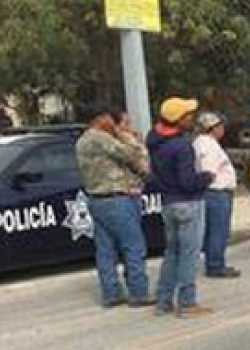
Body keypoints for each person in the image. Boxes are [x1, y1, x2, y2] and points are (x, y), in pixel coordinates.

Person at [75, 103, 152, 308]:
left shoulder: (82, 141)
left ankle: (111, 293)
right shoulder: (100, 138)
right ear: (100, 118)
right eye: (109, 118)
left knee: (106, 250)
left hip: (96, 198)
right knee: (133, 246)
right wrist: (125, 135)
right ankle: (138, 292)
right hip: (117, 198)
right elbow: (129, 154)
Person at [147, 98, 215, 318]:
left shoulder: (155, 143)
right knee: (189, 255)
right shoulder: (182, 145)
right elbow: (188, 182)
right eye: (188, 115)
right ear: (179, 120)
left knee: (172, 253)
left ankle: (163, 300)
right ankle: (187, 303)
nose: (191, 118)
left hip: (168, 203)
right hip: (188, 202)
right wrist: (206, 177)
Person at [193, 112, 240, 278]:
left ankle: (214, 261)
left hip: (215, 192)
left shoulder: (204, 143)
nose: (223, 129)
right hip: (216, 192)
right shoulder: (207, 146)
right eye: (220, 126)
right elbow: (209, 171)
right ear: (212, 128)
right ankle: (215, 264)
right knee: (218, 230)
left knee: (215, 229)